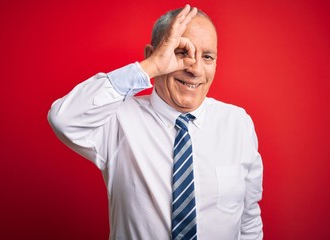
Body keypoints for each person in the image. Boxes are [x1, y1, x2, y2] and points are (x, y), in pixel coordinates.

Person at [48, 4, 263, 240]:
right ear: (153, 54)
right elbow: (63, 119)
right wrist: (150, 67)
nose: (196, 69)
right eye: (181, 52)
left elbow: (248, 219)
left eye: (208, 57)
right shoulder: (118, 118)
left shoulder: (238, 123)